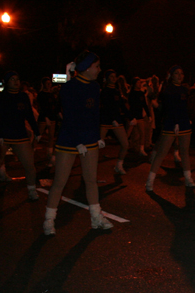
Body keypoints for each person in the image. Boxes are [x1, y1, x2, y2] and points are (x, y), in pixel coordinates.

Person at [43, 52, 113, 235]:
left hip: (89, 139)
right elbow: (69, 118)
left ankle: (96, 217)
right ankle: (49, 220)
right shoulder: (69, 87)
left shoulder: (95, 87)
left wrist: (97, 136)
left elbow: (94, 114)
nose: (99, 70)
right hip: (69, 139)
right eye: (97, 66)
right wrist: (77, 141)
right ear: (87, 67)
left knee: (91, 181)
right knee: (60, 182)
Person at [0, 71, 40, 201]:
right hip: (4, 135)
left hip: (20, 134)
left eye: (17, 79)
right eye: (12, 79)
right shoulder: (1, 97)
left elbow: (29, 114)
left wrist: (37, 131)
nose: (16, 81)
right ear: (6, 82)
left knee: (30, 165)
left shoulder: (23, 96)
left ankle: (31, 189)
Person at [145, 65, 195, 191]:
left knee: (184, 152)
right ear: (171, 75)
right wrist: (175, 123)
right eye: (177, 73)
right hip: (171, 123)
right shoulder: (168, 90)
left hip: (183, 123)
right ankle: (150, 181)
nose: (180, 76)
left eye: (181, 73)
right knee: (162, 153)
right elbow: (168, 109)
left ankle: (188, 178)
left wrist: (187, 118)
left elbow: (184, 107)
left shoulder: (184, 90)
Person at [99, 69, 131, 175]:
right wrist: (112, 119)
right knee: (95, 146)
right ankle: (90, 167)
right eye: (111, 76)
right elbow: (106, 107)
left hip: (117, 121)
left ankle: (119, 165)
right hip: (105, 121)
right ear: (107, 78)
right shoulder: (104, 91)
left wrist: (130, 117)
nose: (114, 78)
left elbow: (121, 105)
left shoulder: (117, 91)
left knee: (125, 144)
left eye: (115, 76)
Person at [37, 76, 59, 167]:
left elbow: (55, 106)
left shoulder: (52, 95)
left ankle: (49, 153)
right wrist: (45, 117)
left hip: (52, 117)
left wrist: (59, 115)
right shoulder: (41, 94)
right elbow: (41, 107)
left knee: (51, 136)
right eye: (47, 84)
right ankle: (31, 151)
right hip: (43, 118)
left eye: (50, 84)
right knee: (38, 135)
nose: (49, 85)